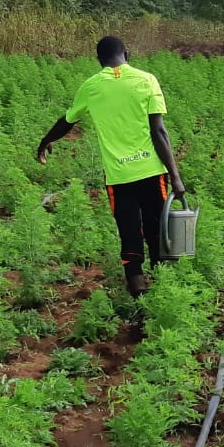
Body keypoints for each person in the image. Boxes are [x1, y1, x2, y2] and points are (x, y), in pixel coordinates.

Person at [36, 36, 186, 297]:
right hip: (152, 171)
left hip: (119, 175)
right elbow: (158, 131)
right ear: (127, 54)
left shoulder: (91, 86)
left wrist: (45, 141)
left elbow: (67, 120)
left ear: (99, 60)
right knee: (157, 226)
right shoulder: (146, 79)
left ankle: (136, 284)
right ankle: (163, 284)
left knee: (128, 228)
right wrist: (175, 176)